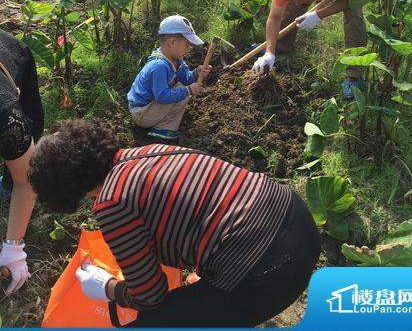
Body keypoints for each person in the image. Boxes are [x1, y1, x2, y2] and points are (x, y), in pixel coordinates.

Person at [28, 119, 321, 328]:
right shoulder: (151, 151)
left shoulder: (112, 202)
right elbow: (199, 210)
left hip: (272, 272)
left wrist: (108, 288)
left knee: (154, 324)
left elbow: (149, 296)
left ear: (65, 192)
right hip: (297, 219)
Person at [0, 29, 44, 295]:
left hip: (12, 56)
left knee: (31, 131)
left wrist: (13, 248)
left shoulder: (7, 118)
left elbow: (27, 179)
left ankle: (6, 181)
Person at [127, 15, 209, 143]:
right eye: (187, 45)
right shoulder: (159, 66)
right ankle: (162, 130)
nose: (189, 49)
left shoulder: (176, 60)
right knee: (183, 91)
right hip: (142, 113)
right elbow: (162, 96)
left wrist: (196, 73)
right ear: (172, 42)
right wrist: (188, 90)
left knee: (183, 90)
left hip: (150, 106)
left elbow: (186, 78)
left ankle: (162, 125)